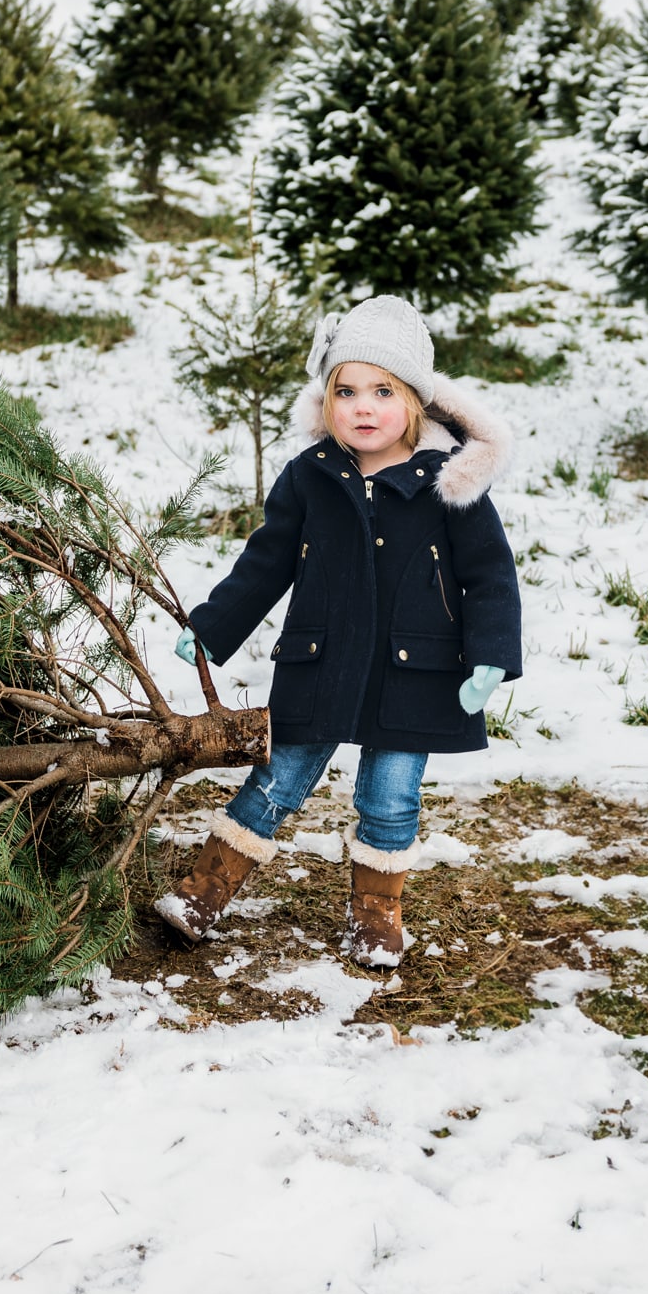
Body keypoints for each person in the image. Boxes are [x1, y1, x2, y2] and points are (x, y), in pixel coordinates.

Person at [157, 295, 522, 968]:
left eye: (382, 390)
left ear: (415, 399)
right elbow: (265, 562)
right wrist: (213, 628)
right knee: (278, 777)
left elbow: (489, 576)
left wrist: (491, 656)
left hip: (416, 672)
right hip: (320, 663)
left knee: (390, 796)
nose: (363, 406)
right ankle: (205, 890)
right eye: (345, 390)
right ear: (326, 400)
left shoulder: (450, 482)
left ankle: (376, 916)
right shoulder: (311, 476)